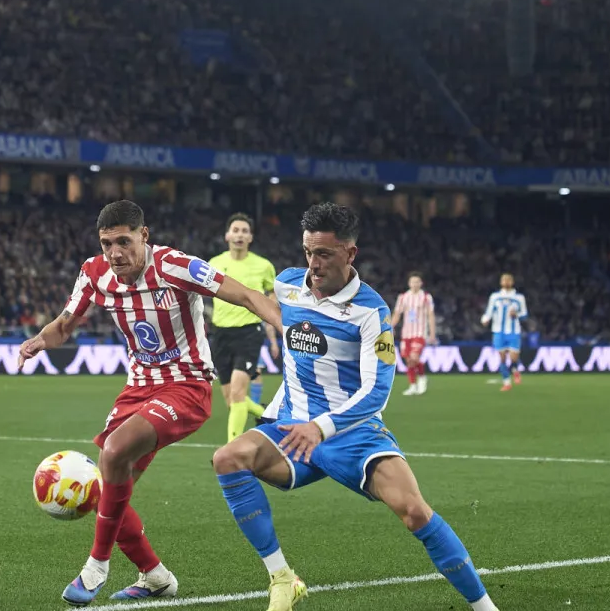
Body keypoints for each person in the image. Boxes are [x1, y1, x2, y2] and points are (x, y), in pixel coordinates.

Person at [213, 203, 500, 611]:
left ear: (350, 253)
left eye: (324, 254)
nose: (313, 263)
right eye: (308, 252)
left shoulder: (373, 311)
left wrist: (322, 427)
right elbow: (247, 297)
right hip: (294, 426)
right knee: (228, 458)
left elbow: (377, 391)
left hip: (352, 433)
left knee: (415, 512)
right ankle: (282, 577)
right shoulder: (289, 284)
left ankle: (485, 607)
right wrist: (186, 272)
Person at [19, 200, 281, 606]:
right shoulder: (94, 273)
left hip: (187, 385)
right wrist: (39, 340)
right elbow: (65, 325)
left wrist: (287, 327)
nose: (115, 252)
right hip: (138, 388)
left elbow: (245, 295)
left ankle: (96, 566)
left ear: (144, 236)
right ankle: (156, 577)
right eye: (107, 243)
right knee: (109, 489)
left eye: (124, 241)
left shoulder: (175, 266)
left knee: (114, 452)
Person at [207, 213, 278, 442]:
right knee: (231, 400)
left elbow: (273, 292)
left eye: (244, 231)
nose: (239, 235)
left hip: (249, 332)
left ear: (251, 237)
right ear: (227, 235)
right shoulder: (214, 264)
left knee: (238, 393)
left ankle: (231, 450)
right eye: (235, 230)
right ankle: (268, 415)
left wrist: (271, 315)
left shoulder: (263, 266)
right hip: (220, 334)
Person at [480, 274, 528, 392]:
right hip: (498, 331)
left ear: (512, 282)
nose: (506, 281)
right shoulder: (495, 296)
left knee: (513, 357)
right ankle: (507, 383)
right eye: (504, 280)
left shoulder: (519, 297)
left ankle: (515, 369)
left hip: (514, 331)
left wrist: (517, 315)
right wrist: (485, 319)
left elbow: (525, 315)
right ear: (501, 282)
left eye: (508, 280)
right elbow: (489, 311)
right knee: (502, 358)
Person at [393, 272, 436, 396]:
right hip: (406, 334)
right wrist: (390, 327)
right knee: (409, 361)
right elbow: (397, 314)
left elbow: (430, 315)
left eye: (417, 282)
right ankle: (413, 385)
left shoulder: (426, 297)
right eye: (413, 282)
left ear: (421, 283)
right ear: (409, 283)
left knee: (414, 357)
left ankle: (421, 378)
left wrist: (432, 334)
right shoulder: (403, 297)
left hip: (420, 333)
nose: (415, 284)